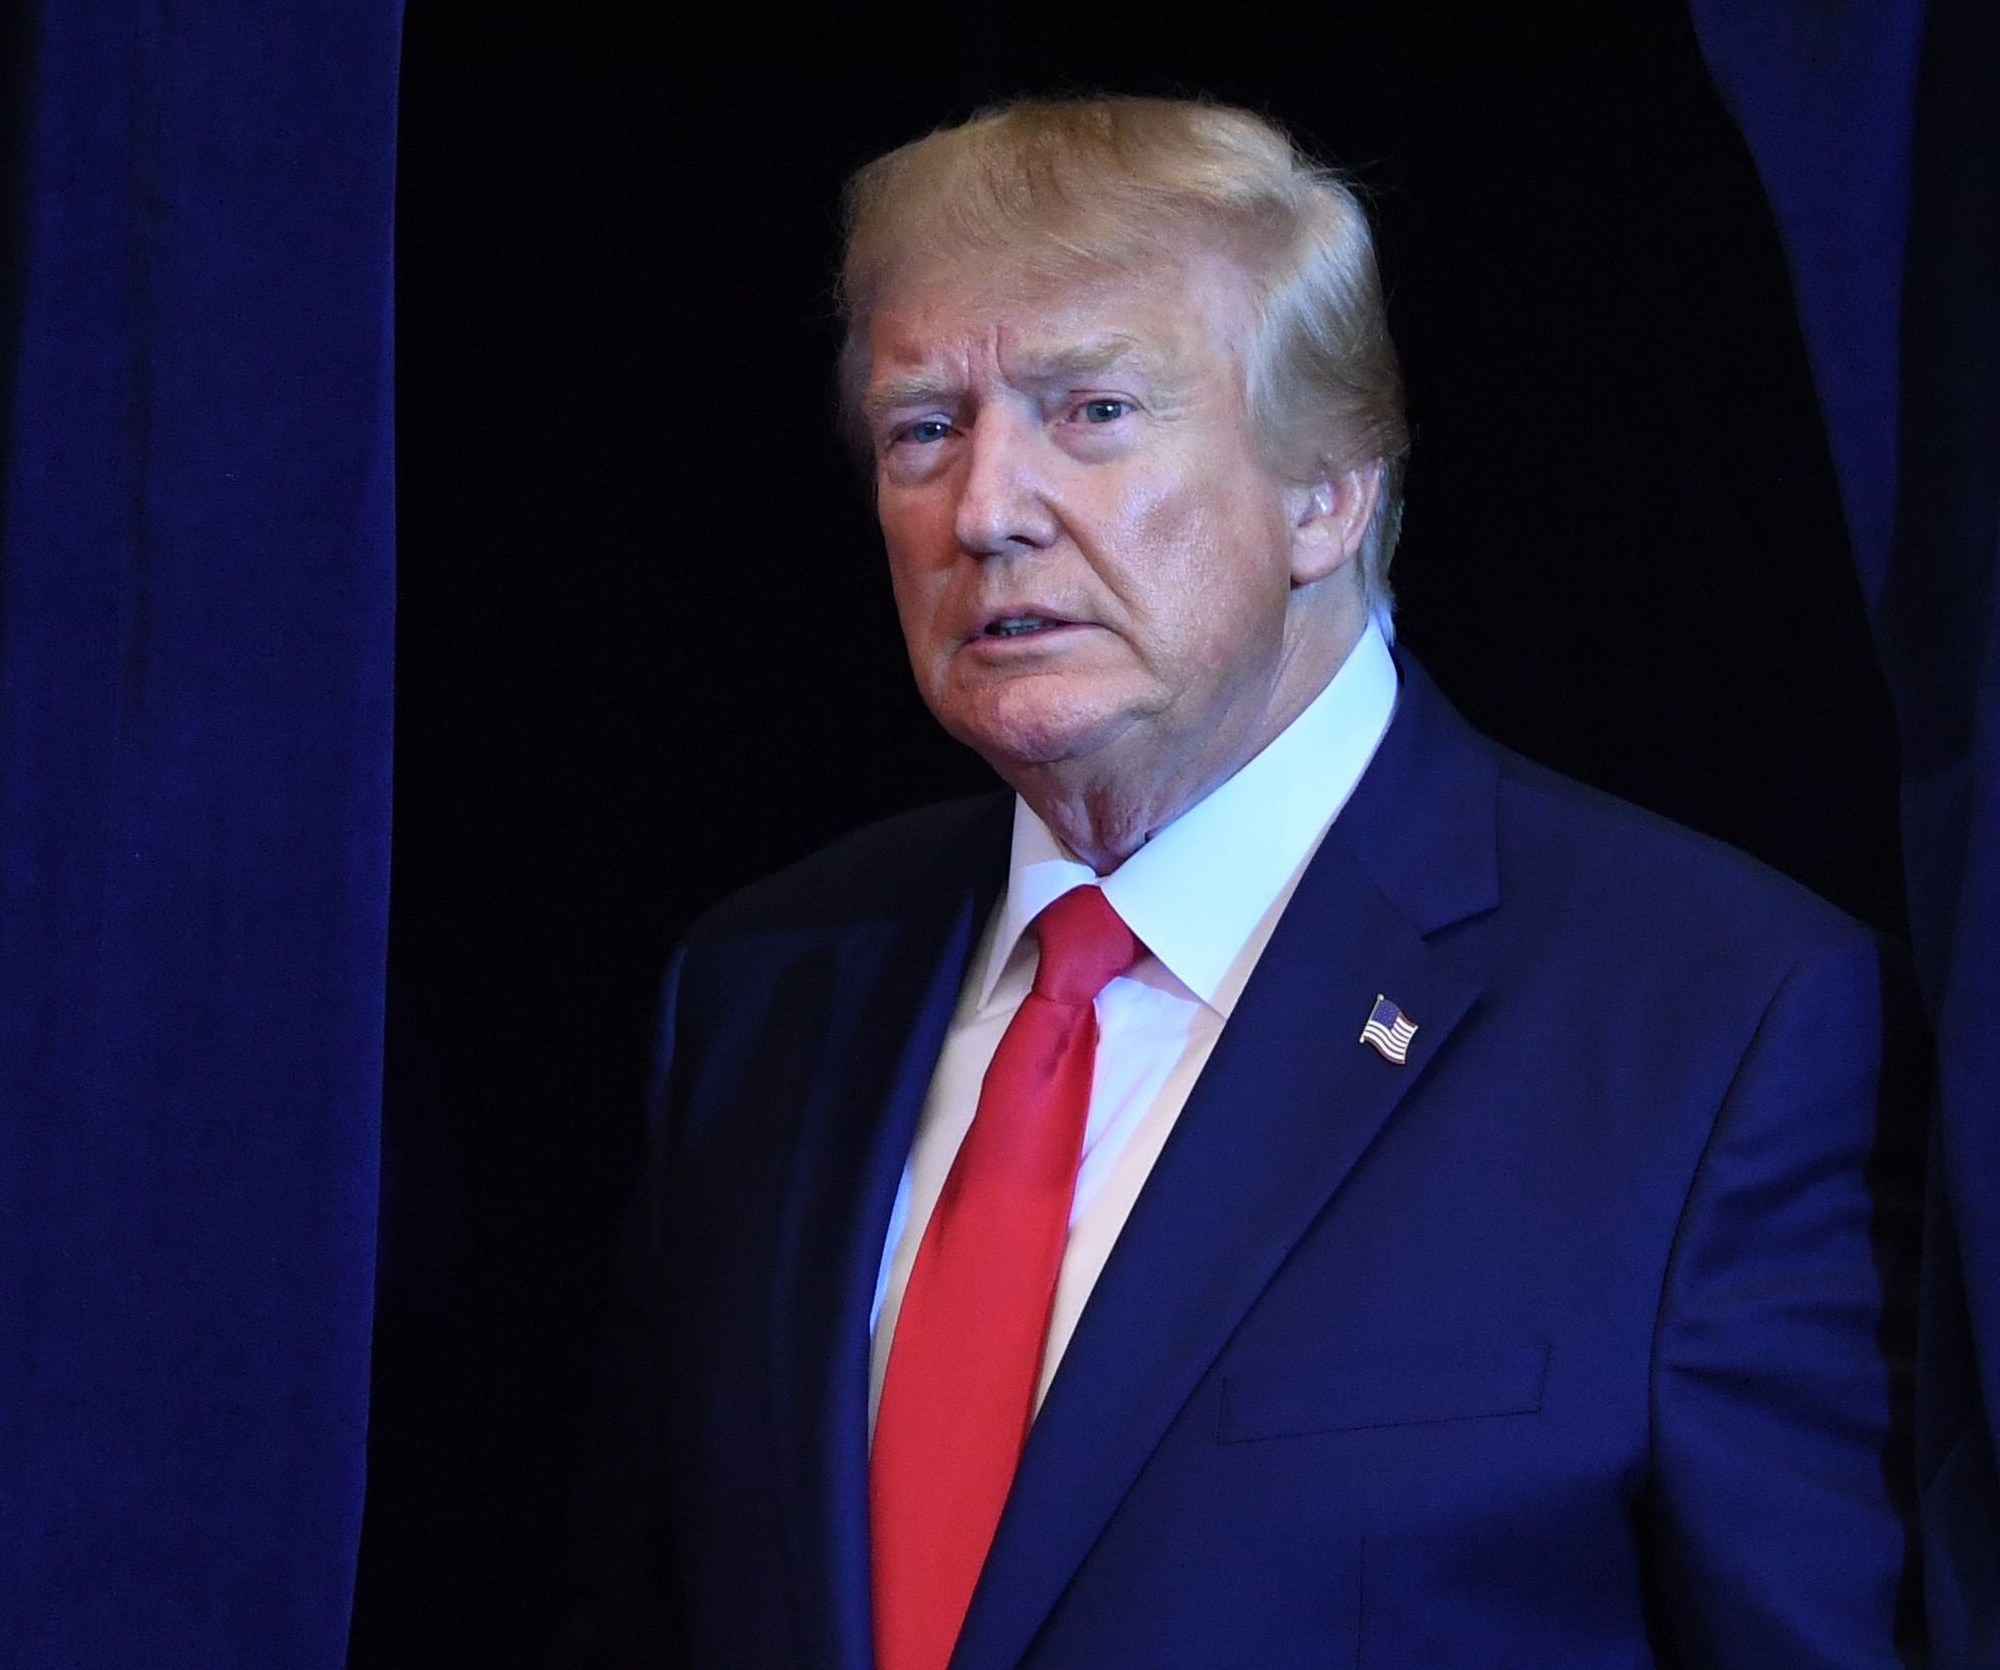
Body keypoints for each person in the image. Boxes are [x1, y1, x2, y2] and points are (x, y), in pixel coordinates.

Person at [563, 96, 1927, 1669]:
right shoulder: (765, 991)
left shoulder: (1715, 1020)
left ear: (1327, 492)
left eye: (1093, 411)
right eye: (922, 428)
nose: (986, 510)